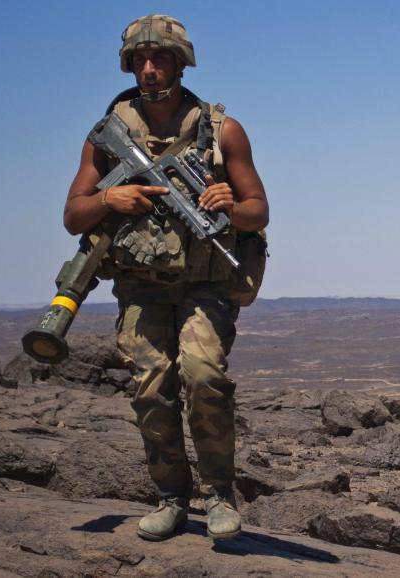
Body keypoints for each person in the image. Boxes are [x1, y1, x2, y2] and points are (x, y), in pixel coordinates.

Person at [62, 14, 268, 541]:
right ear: (130, 66)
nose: (150, 70)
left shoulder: (222, 130)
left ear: (180, 62)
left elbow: (258, 211)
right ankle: (172, 498)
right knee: (152, 390)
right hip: (141, 284)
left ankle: (219, 495)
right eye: (141, 61)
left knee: (204, 379)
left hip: (205, 283)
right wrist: (111, 197)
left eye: (161, 59)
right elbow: (72, 215)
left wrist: (230, 205)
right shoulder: (108, 134)